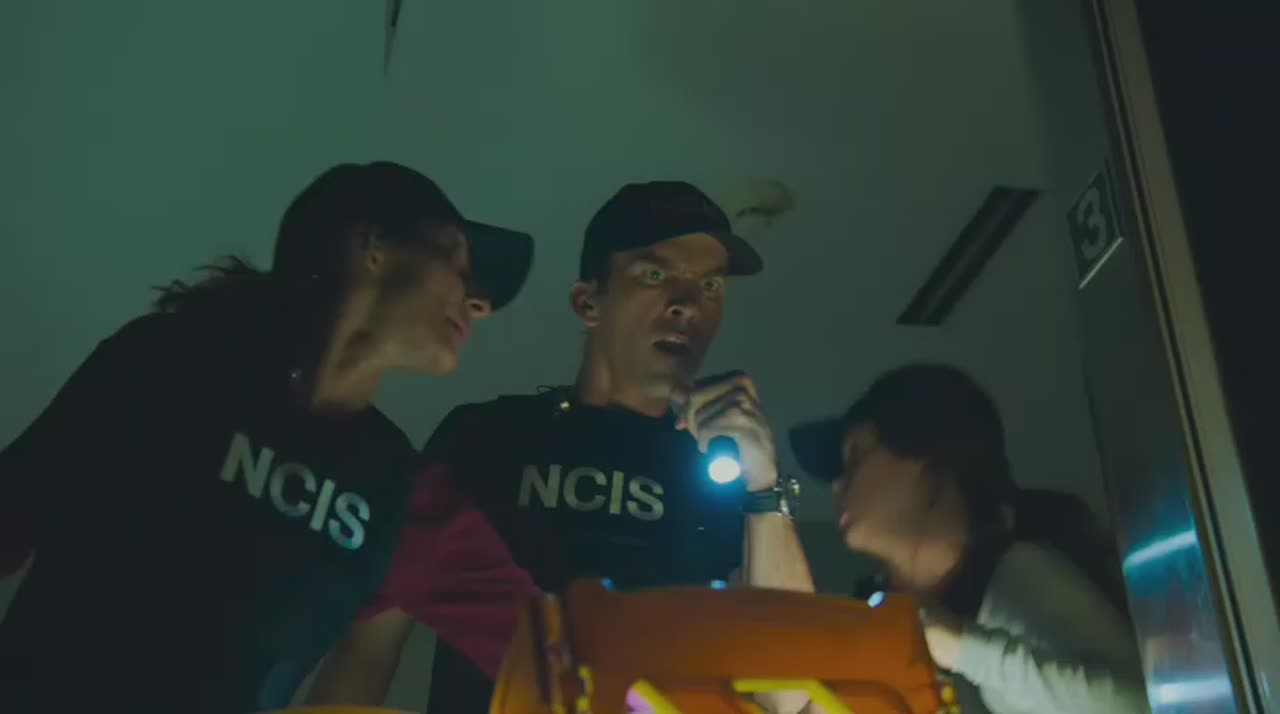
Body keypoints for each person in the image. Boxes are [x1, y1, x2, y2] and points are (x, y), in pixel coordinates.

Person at [0, 161, 534, 714]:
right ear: (372, 245)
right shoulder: (169, 364)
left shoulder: (396, 484)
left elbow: (548, 647)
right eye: (454, 257)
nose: (480, 303)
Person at [310, 181, 816, 713]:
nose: (686, 305)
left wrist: (764, 489)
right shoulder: (486, 436)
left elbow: (789, 695)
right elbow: (371, 641)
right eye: (655, 275)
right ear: (587, 302)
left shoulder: (728, 470)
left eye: (710, 286)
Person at [789, 363, 1150, 714]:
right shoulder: (874, 612)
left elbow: (1140, 703)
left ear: (927, 455)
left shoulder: (1015, 575)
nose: (837, 486)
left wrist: (959, 647)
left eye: (856, 456)